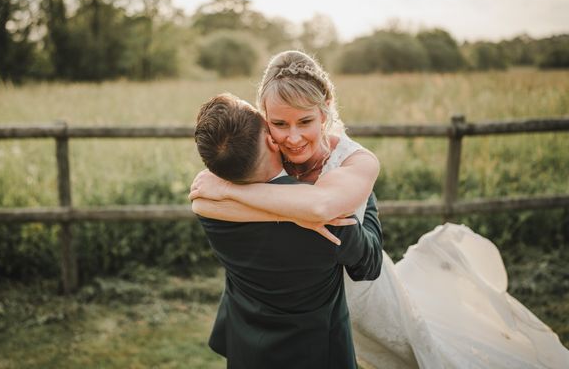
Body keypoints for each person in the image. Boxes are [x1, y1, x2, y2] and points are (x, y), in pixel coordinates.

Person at [190, 50, 569, 368]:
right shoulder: (256, 152)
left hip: (363, 285)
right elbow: (290, 210)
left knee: (421, 348)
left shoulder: (354, 163)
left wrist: (227, 191)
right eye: (279, 124)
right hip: (305, 303)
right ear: (263, 119)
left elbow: (356, 246)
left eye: (305, 122)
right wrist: (292, 210)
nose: (292, 137)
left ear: (326, 111)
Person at [192, 93, 384, 368]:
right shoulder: (327, 216)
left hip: (247, 345)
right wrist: (363, 194)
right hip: (317, 352)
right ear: (271, 139)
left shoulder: (211, 201)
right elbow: (369, 263)